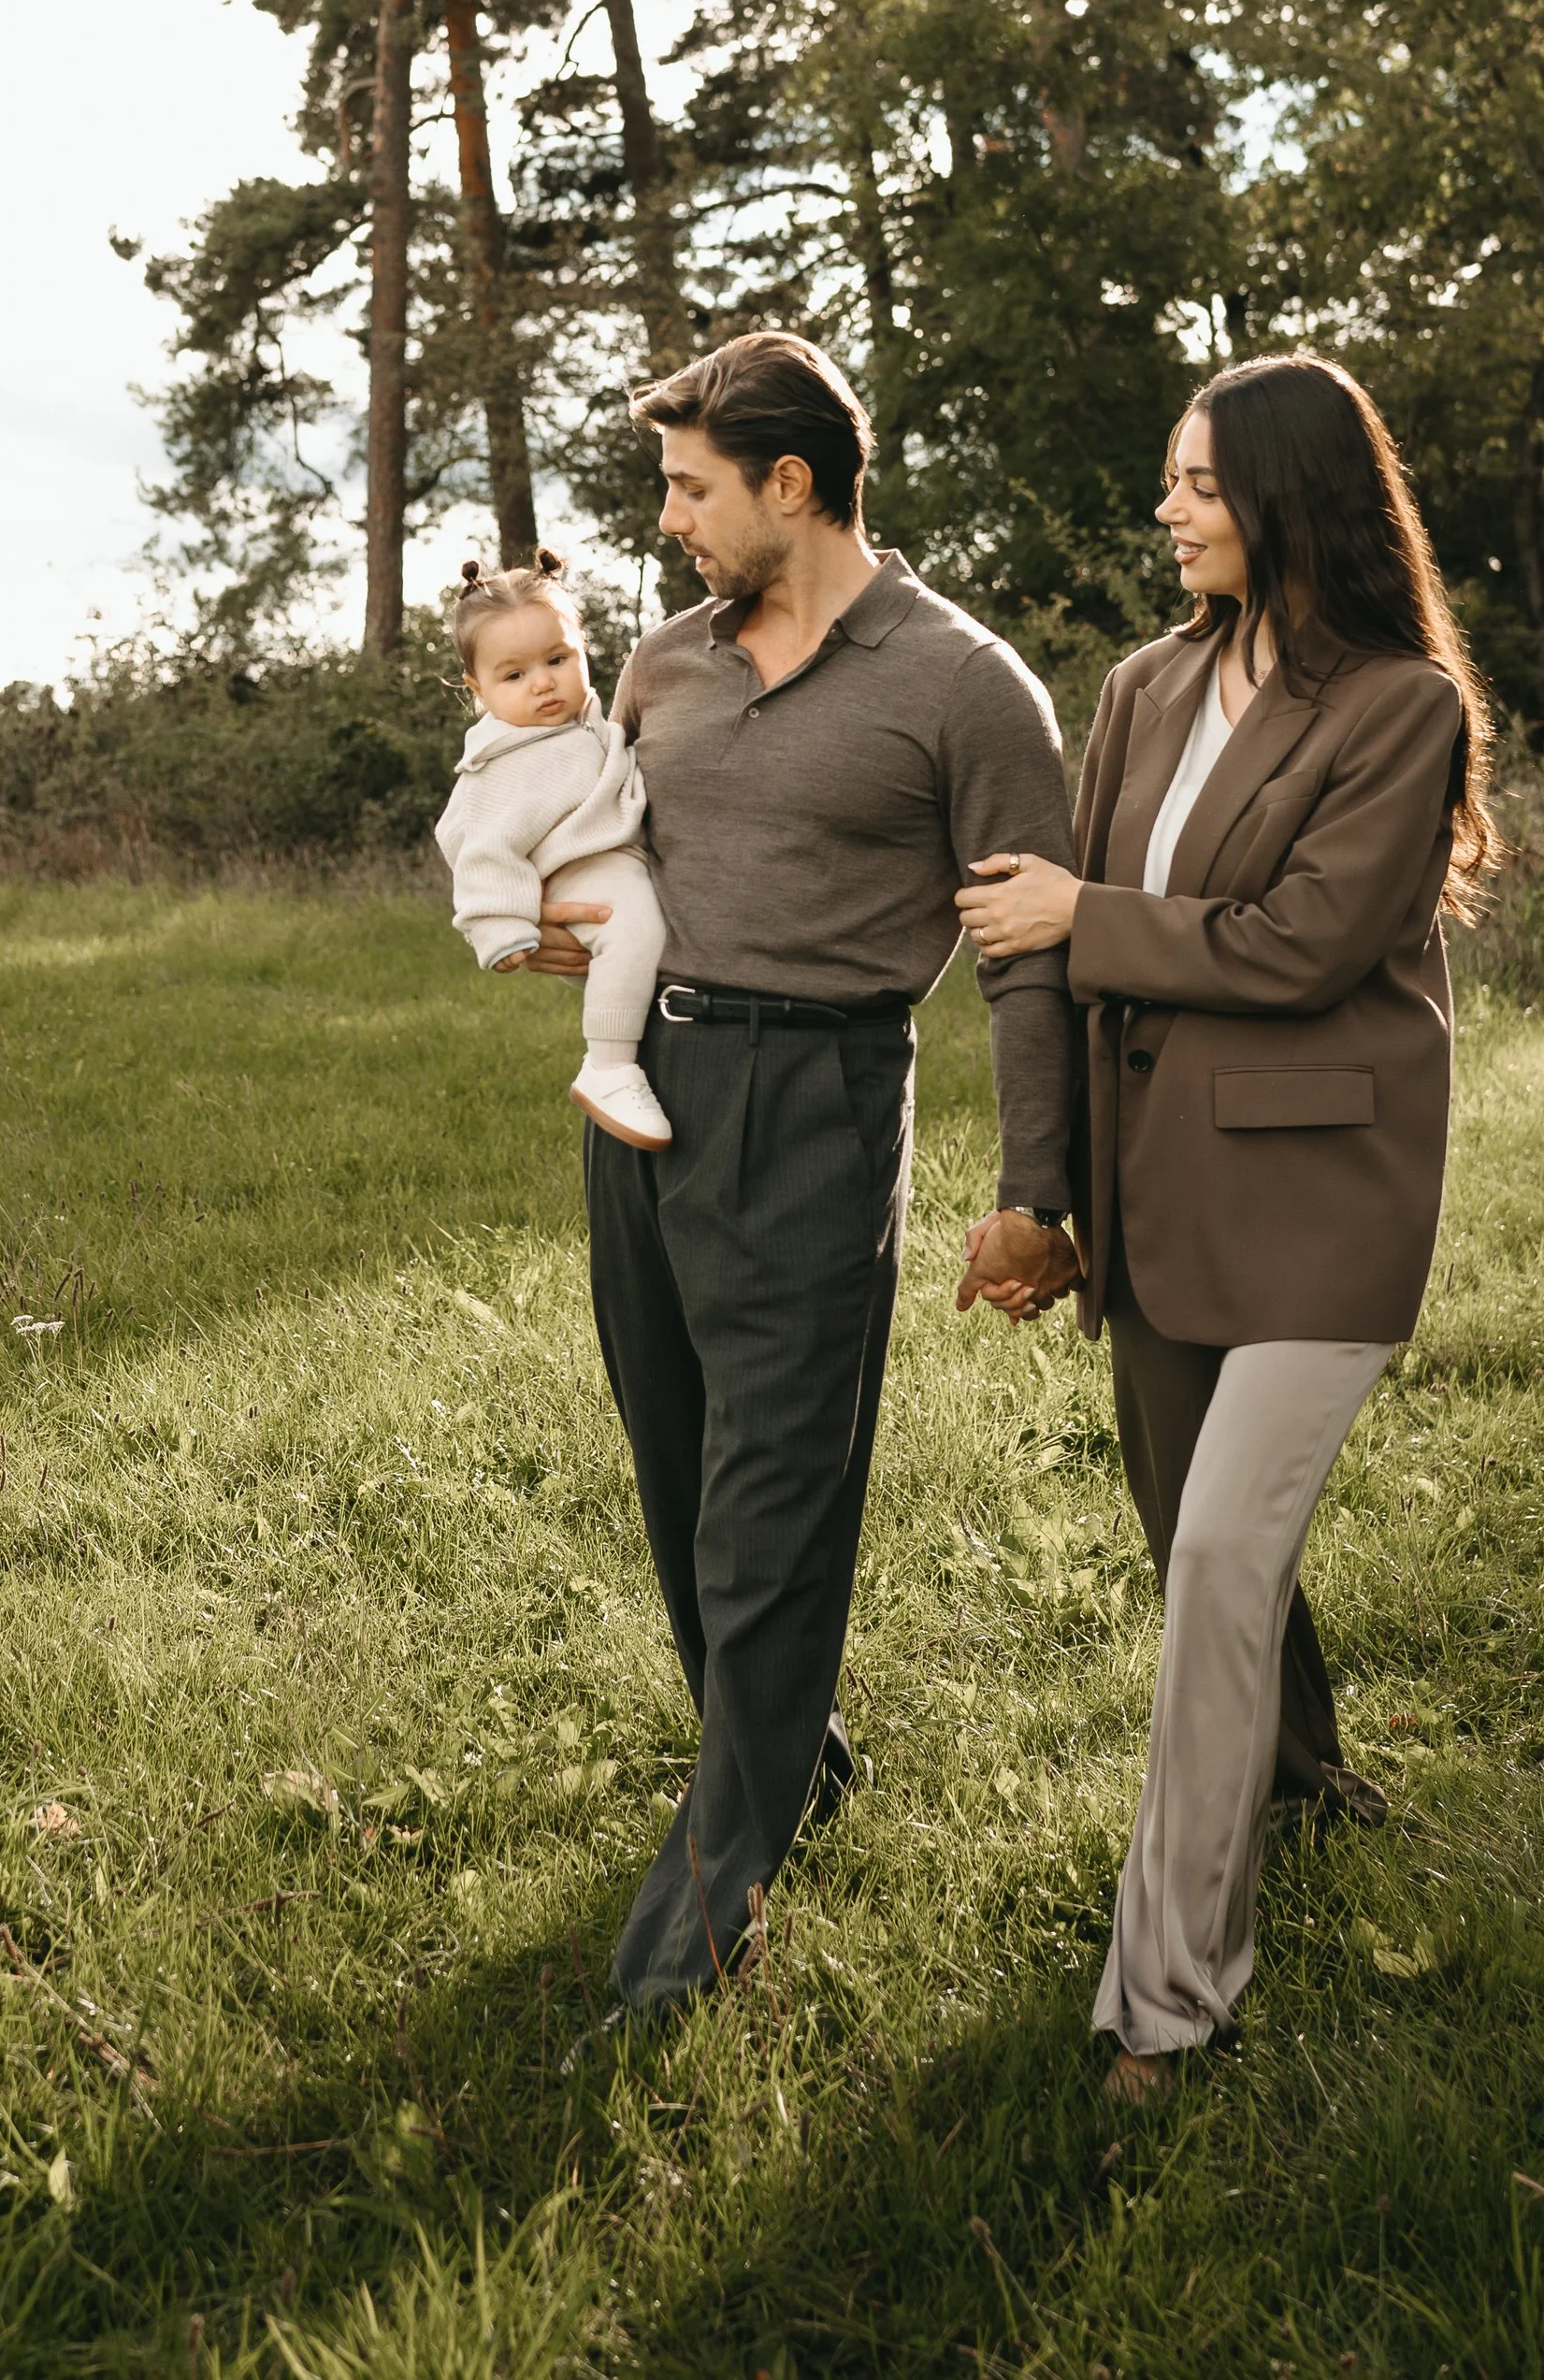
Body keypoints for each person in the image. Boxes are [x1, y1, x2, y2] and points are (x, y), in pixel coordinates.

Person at [512, 330, 1077, 2024]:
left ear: (790, 481)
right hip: (645, 1091)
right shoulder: (664, 665)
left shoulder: (966, 685)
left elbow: (1030, 960)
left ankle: (696, 1925)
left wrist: (1038, 1188)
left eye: (692, 489)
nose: (668, 519)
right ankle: (791, 1753)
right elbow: (610, 843)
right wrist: (559, 913)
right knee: (680, 1467)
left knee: (774, 1500)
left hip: (816, 1094)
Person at [954, 353, 1494, 2100]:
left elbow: (1303, 946)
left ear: (1285, 494)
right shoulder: (1141, 685)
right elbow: (1056, 965)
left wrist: (1084, 913)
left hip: (1326, 1201)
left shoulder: (1402, 706)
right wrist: (1048, 1199)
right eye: (1171, 478)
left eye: (1198, 481)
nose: (1169, 508)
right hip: (1153, 1197)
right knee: (1206, 1539)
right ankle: (1301, 1774)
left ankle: (1170, 1998)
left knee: (1214, 1566)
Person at [434, 548, 671, 1151]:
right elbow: (480, 847)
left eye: (557, 660)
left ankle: (631, 1049)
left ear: (582, 651)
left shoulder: (580, 723)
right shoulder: (505, 760)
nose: (542, 682)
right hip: (576, 872)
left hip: (606, 859)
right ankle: (609, 1068)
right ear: (478, 689)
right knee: (634, 925)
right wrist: (500, 926)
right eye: (513, 676)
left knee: (638, 946)